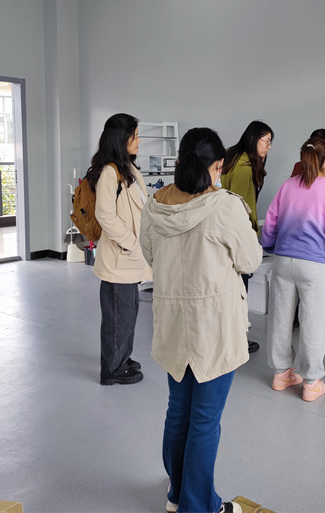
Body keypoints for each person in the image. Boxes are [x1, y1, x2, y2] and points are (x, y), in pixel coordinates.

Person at [141, 127, 263, 513]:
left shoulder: (155, 204)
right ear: (218, 166)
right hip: (214, 325)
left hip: (173, 322)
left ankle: (178, 495)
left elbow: (150, 255)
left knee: (179, 411)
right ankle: (199, 506)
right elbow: (250, 260)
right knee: (206, 418)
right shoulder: (224, 207)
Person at [262, 137, 325, 402]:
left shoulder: (288, 186)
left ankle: (281, 374)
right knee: (313, 324)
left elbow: (270, 224)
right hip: (315, 265)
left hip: (282, 261)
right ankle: (311, 383)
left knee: (280, 319)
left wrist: (271, 247)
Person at [86, 113, 152, 386]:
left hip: (130, 258)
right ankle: (112, 369)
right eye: (135, 135)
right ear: (121, 138)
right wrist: (132, 242)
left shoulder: (129, 169)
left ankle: (122, 357)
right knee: (118, 316)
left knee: (128, 312)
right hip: (119, 259)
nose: (139, 140)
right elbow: (105, 216)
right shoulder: (109, 173)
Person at [221, 120, 273, 354]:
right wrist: (252, 237)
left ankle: (230, 337)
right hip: (237, 235)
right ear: (254, 139)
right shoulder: (244, 166)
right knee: (240, 289)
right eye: (267, 141)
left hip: (221, 232)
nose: (269, 147)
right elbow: (241, 207)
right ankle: (238, 339)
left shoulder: (231, 156)